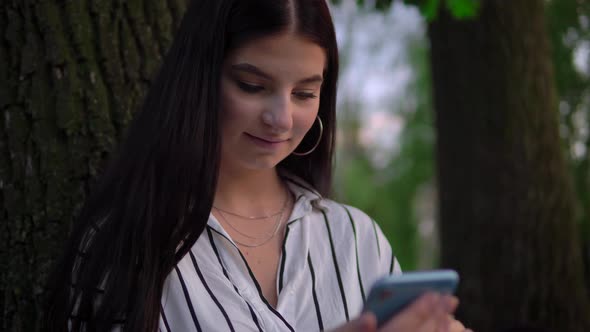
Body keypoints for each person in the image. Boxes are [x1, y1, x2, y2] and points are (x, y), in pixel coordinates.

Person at [45, 0, 471, 331]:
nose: (281, 119)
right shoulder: (127, 241)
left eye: (304, 94)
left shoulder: (356, 239)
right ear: (200, 80)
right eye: (253, 86)